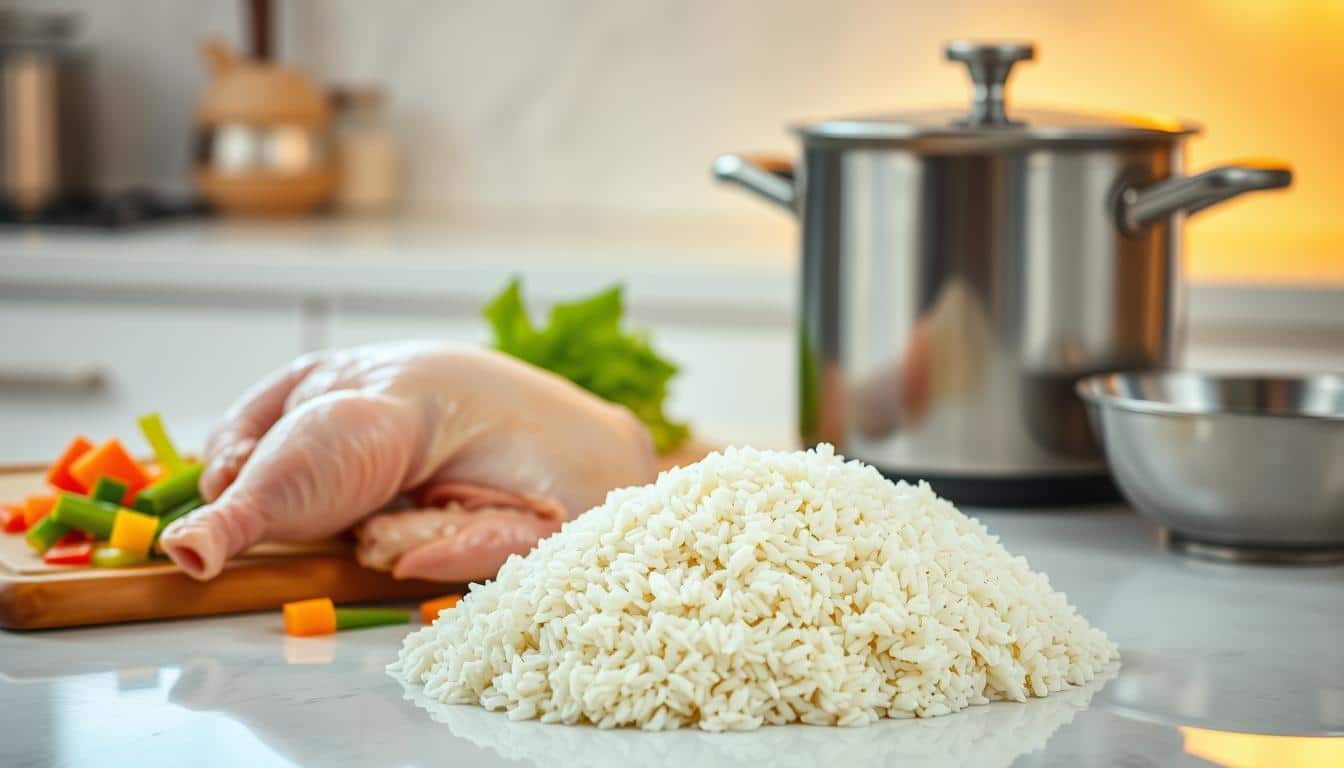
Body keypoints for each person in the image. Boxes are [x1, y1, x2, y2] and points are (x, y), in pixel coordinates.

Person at [157, 341, 660, 583]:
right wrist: (233, 442)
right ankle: (236, 513)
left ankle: (234, 519)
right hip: (617, 430)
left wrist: (398, 537)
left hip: (607, 466)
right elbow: (297, 375)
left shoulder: (607, 512)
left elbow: (520, 539)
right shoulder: (352, 390)